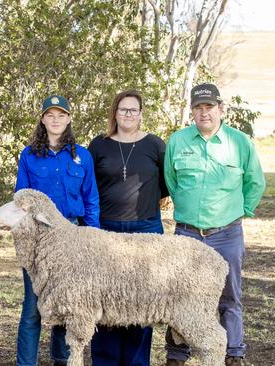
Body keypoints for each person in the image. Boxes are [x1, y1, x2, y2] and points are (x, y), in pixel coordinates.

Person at [163, 83, 265, 366]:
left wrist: (238, 212)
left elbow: (255, 183)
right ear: (192, 112)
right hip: (188, 234)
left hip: (227, 234)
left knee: (229, 295)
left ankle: (234, 353)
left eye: (209, 107)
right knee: (178, 294)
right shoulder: (178, 142)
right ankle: (176, 355)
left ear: (221, 109)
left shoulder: (240, 143)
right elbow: (172, 182)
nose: (204, 112)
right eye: (198, 107)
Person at [15, 95, 100, 366]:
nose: (55, 120)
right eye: (50, 115)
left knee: (66, 303)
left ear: (69, 119)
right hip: (39, 239)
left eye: (61, 115)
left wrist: (93, 236)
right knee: (32, 306)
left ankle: (61, 360)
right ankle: (25, 362)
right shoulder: (29, 155)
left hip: (73, 236)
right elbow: (22, 199)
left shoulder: (81, 156)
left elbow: (91, 199)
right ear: (42, 119)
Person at [87, 89, 169, 366]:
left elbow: (166, 185)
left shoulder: (155, 145)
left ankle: (136, 362)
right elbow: (90, 187)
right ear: (115, 113)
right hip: (106, 231)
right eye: (123, 110)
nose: (128, 115)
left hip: (145, 231)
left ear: (141, 114)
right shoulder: (99, 145)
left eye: (134, 110)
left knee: (140, 302)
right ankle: (105, 361)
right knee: (105, 301)